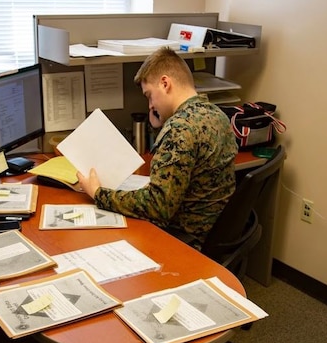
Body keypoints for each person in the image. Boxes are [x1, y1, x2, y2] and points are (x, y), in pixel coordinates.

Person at [77, 47, 238, 246]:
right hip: (211, 230)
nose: (150, 105)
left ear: (164, 83)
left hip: (184, 239)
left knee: (98, 240)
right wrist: (159, 124)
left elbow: (158, 206)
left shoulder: (180, 128)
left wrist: (98, 193)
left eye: (149, 95)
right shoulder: (217, 115)